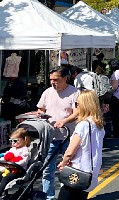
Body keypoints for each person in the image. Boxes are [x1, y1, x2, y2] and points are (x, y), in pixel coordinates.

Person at [35, 67, 80, 199]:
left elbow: (77, 112)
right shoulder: (47, 92)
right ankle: (48, 196)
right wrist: (41, 115)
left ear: (66, 78)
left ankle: (66, 195)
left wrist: (64, 121)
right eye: (51, 80)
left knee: (68, 169)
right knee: (47, 169)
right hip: (51, 137)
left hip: (68, 137)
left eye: (56, 80)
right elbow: (40, 109)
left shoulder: (74, 92)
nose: (53, 82)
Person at [57, 90, 105, 199]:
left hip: (76, 172)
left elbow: (70, 151)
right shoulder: (99, 125)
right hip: (89, 174)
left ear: (84, 105)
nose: (76, 106)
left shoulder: (83, 125)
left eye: (77, 104)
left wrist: (63, 163)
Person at [0, 128, 31, 200]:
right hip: (9, 169)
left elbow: (23, 160)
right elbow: (6, 155)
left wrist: (14, 163)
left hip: (19, 170)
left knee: (5, 179)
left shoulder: (25, 150)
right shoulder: (13, 149)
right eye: (11, 141)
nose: (13, 143)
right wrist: (3, 160)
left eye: (15, 140)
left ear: (24, 139)